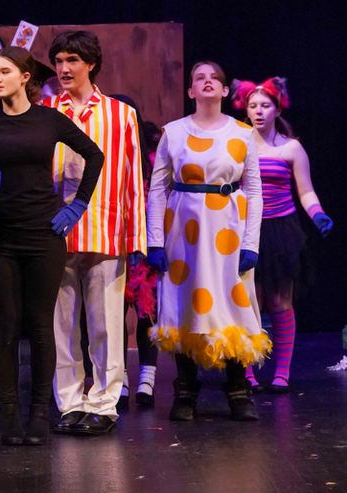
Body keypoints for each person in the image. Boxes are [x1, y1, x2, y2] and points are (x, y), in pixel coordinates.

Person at [0, 46, 104, 445]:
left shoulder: (48, 119)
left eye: (4, 71)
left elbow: (94, 155)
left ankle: (40, 413)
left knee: (42, 326)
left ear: (25, 76)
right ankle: (11, 414)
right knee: (5, 328)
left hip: (44, 235)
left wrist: (77, 206)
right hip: (0, 239)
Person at [146, 61, 270, 422]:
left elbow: (254, 191)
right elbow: (157, 189)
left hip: (228, 229)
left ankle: (237, 390)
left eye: (214, 78)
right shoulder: (174, 131)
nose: (207, 82)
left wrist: (251, 243)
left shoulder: (242, 133)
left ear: (225, 90)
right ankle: (186, 390)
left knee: (232, 304)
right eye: (200, 78)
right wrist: (155, 240)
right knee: (185, 301)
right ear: (190, 91)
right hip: (183, 228)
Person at [39, 31, 146, 436]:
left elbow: (132, 176)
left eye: (72, 61)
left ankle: (103, 402)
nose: (64, 69)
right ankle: (69, 401)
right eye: (59, 61)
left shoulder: (121, 114)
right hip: (56, 231)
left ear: (90, 64)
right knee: (61, 325)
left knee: (105, 324)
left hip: (105, 229)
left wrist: (136, 237)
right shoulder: (46, 110)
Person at [232, 77, 333, 393]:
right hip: (246, 229)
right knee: (249, 303)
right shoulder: (236, 143)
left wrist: (318, 215)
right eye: (253, 106)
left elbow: (305, 191)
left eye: (265, 106)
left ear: (277, 109)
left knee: (280, 302)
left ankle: (281, 372)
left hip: (281, 231)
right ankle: (246, 371)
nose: (259, 112)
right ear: (245, 110)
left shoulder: (291, 148)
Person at [107, 93, 160, 409]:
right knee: (112, 312)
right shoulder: (104, 150)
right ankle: (121, 378)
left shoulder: (151, 155)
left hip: (147, 239)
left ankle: (148, 379)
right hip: (113, 237)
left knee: (147, 311)